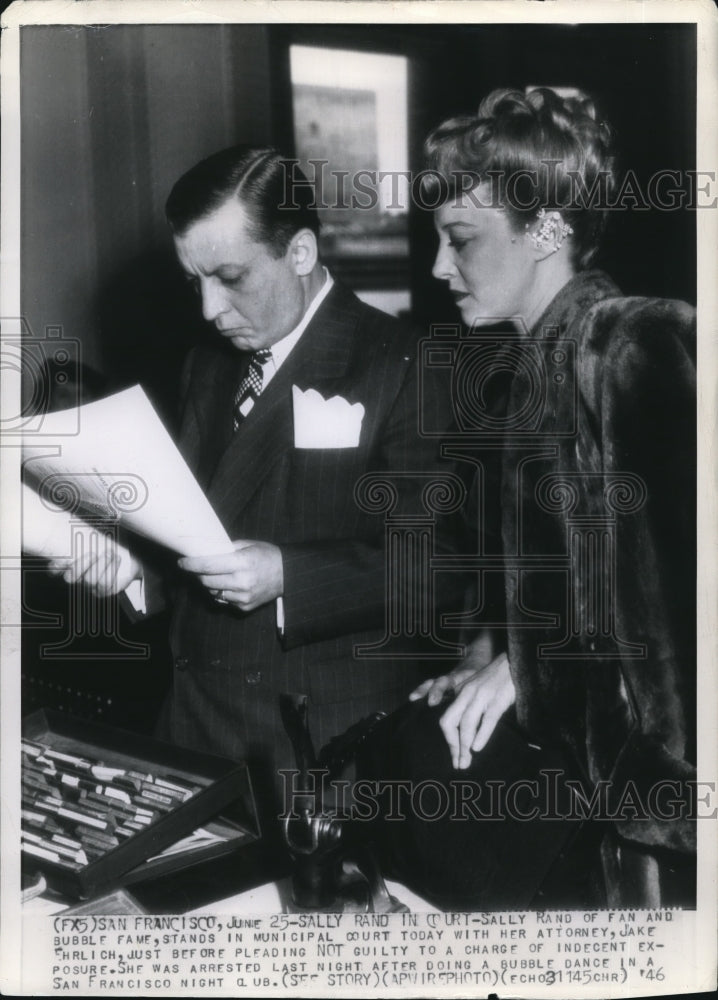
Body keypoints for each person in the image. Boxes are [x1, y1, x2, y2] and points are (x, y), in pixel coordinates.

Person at [49, 146, 461, 836]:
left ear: (300, 252)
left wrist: (290, 576)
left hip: (321, 756)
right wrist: (123, 570)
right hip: (193, 733)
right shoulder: (207, 367)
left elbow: (444, 562)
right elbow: (186, 527)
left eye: (230, 277)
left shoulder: (402, 361)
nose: (210, 309)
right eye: (195, 282)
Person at [409, 88, 696, 907]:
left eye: (461, 240)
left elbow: (677, 629)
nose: (438, 267)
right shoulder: (532, 372)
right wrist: (496, 659)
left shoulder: (629, 341)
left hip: (659, 840)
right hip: (592, 813)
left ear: (546, 231)